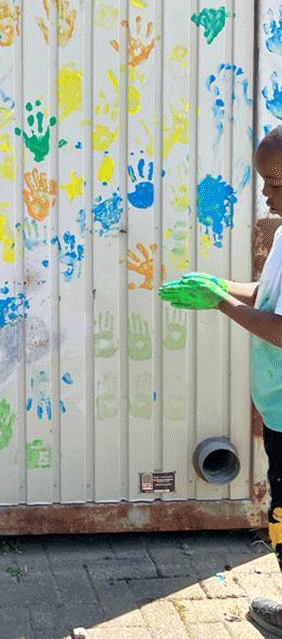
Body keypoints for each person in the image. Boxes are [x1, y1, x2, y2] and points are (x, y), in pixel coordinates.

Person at [160, 125, 282, 636]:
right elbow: (269, 294)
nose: (264, 194)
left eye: (274, 183)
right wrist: (220, 285)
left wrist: (221, 304)